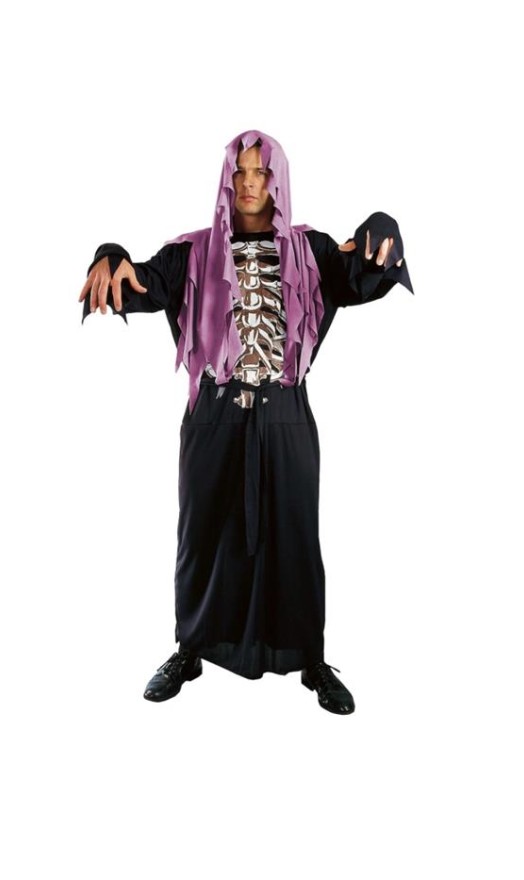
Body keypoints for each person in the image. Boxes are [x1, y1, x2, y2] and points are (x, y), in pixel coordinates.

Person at [78, 130, 413, 715]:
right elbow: (140, 284)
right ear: (227, 180)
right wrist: (109, 253)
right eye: (241, 173)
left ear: (278, 180)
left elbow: (363, 276)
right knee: (202, 535)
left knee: (295, 536)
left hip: (285, 415)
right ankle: (190, 648)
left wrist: (383, 225)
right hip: (214, 414)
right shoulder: (193, 254)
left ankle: (310, 658)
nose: (251, 183)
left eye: (262, 172)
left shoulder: (311, 253)